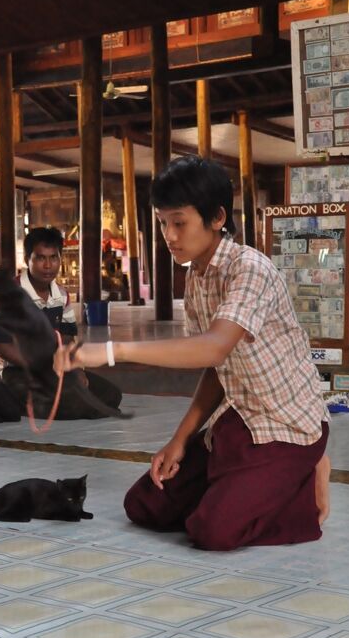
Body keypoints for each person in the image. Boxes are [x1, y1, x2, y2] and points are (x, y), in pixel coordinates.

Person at [55, 155, 331, 551]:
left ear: (217, 217)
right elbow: (216, 366)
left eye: (179, 222)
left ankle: (303, 476)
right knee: (144, 504)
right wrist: (179, 441)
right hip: (238, 421)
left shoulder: (250, 269)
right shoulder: (198, 276)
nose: (169, 234)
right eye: (163, 222)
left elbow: (213, 345)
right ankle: (243, 487)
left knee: (212, 531)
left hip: (288, 426)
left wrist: (111, 352)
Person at [0, 225, 122, 420]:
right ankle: (23, 400)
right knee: (72, 404)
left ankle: (69, 405)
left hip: (53, 367)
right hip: (19, 370)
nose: (48, 265)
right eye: (41, 258)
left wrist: (73, 368)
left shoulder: (62, 295)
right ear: (27, 260)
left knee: (111, 394)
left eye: (53, 257)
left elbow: (67, 336)